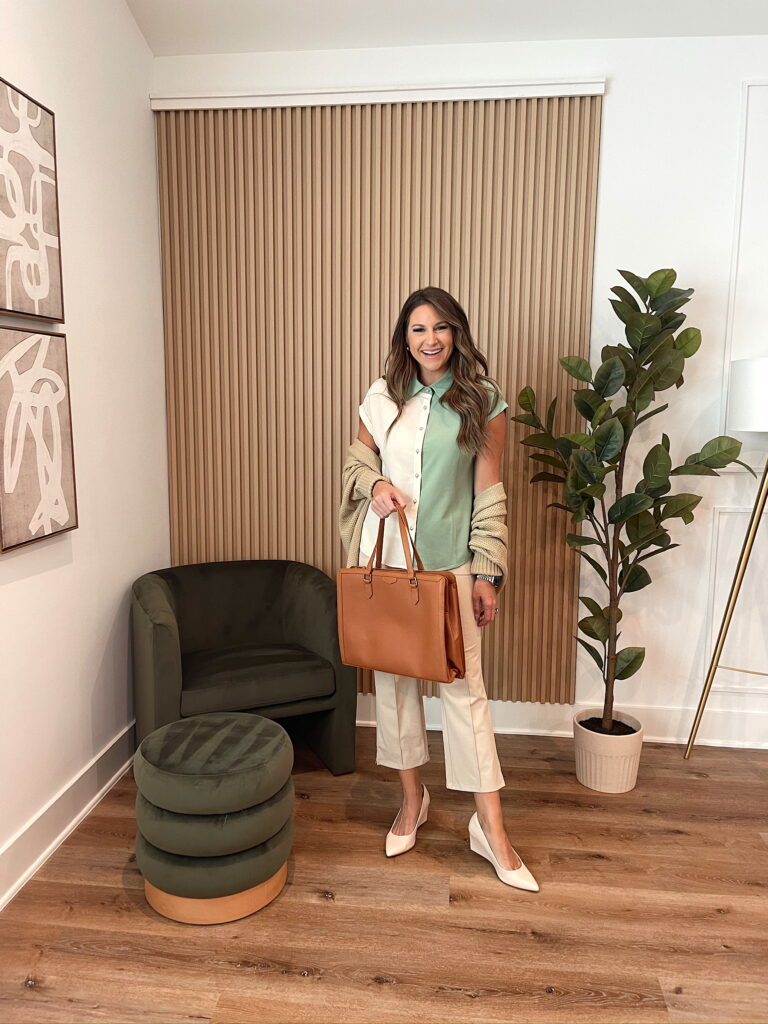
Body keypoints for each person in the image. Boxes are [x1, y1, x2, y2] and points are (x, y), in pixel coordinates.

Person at [339, 286, 538, 892]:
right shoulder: (383, 397)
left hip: (451, 570)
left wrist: (488, 571)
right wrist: (376, 486)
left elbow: (489, 491)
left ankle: (491, 829)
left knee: (465, 693)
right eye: (418, 329)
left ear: (456, 333)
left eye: (441, 328)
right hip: (388, 568)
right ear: (405, 338)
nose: (430, 339)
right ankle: (412, 801)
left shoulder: (484, 401)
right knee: (395, 689)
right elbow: (356, 465)